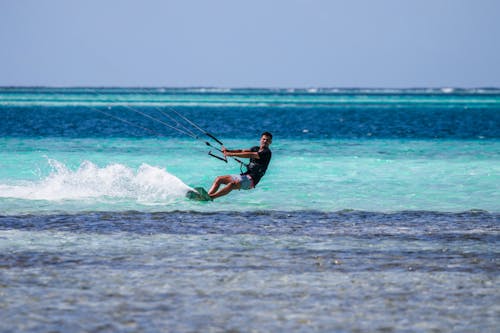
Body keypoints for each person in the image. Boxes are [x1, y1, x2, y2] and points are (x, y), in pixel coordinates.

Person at [208, 132, 273, 199]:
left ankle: (211, 197)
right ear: (260, 139)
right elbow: (242, 151)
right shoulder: (255, 148)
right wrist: (229, 151)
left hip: (252, 180)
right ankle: (206, 196)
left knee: (232, 184)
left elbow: (250, 154)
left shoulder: (266, 152)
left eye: (267, 140)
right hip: (244, 176)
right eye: (264, 139)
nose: (265, 141)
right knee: (219, 179)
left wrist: (231, 154)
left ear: (270, 142)